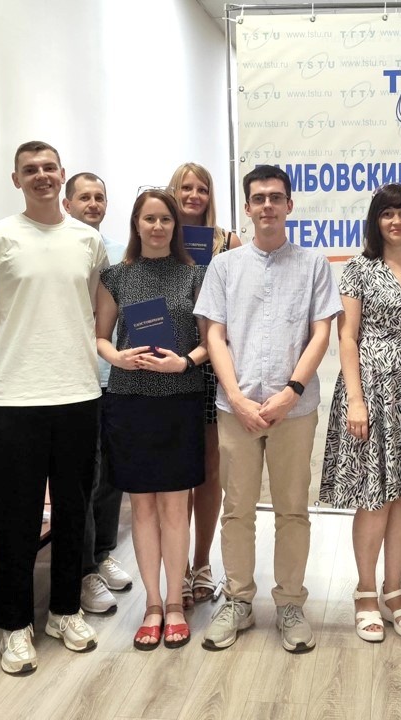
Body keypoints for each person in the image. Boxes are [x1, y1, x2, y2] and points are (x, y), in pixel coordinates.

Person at [0, 141, 107, 675]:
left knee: (74, 512)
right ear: (16, 179)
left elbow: (97, 311)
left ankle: (64, 612)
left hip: (78, 397)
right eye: (30, 169)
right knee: (13, 519)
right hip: (12, 403)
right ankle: (14, 625)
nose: (41, 175)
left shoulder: (89, 240)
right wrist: (14, 361)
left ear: (62, 174)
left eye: (49, 167)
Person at [193, 164, 342, 653]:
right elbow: (214, 335)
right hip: (235, 408)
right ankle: (238, 599)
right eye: (259, 198)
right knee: (236, 510)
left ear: (289, 205)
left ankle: (290, 604)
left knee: (292, 510)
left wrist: (291, 391)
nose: (268, 206)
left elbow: (321, 332)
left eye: (276, 197)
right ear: (247, 207)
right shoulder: (224, 267)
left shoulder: (313, 265)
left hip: (292, 410)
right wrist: (236, 396)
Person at [320, 184, 401, 643]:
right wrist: (355, 400)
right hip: (371, 388)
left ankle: (394, 591)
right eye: (388, 214)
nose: (397, 221)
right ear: (375, 220)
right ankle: (365, 593)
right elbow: (347, 337)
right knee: (373, 495)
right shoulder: (359, 268)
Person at [95, 189, 208, 650]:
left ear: (175, 226)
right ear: (136, 225)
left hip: (180, 399)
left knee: (175, 508)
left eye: (165, 219)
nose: (157, 227)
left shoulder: (195, 274)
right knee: (142, 508)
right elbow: (100, 337)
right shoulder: (115, 276)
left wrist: (185, 362)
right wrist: (118, 358)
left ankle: (176, 604)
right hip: (130, 401)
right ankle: (153, 605)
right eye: (149, 219)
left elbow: (212, 341)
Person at [168, 162, 242, 609]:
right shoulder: (158, 233)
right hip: (169, 363)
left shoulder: (228, 242)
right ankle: (176, 566)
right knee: (177, 470)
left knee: (211, 469)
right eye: (186, 187)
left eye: (202, 188)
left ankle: (201, 564)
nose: (193, 195)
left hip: (214, 364)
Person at [63, 172, 135, 615]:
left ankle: (103, 553)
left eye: (99, 197)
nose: (93, 203)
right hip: (73, 381)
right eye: (84, 197)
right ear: (68, 204)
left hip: (114, 377)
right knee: (83, 479)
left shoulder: (119, 253)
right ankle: (84, 569)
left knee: (110, 475)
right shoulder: (60, 248)